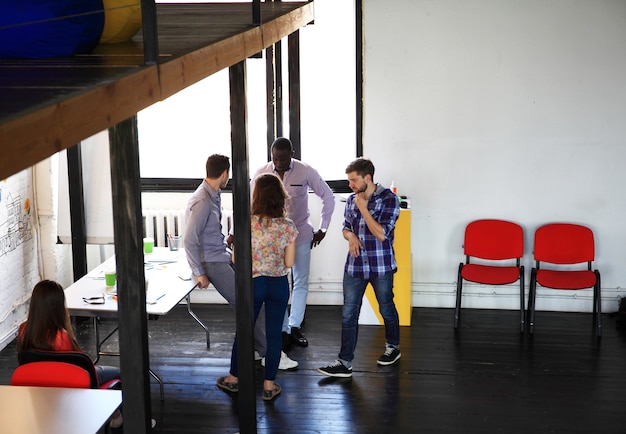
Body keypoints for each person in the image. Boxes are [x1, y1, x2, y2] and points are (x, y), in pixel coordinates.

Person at [184, 154, 298, 370]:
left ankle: (256, 347)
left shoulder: (213, 195)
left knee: (252, 303)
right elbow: (189, 239)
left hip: (222, 254)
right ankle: (269, 354)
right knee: (247, 304)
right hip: (212, 262)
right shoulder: (203, 201)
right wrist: (199, 272)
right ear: (225, 173)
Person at [217, 173, 298, 401]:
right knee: (274, 335)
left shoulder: (245, 222)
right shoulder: (287, 226)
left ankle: (233, 379)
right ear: (279, 197)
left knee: (244, 331)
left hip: (252, 283)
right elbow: (290, 262)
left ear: (257, 196)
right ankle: (269, 386)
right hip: (278, 284)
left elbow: (235, 260)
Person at [318, 158, 401, 378]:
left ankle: (393, 346)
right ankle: (344, 362)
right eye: (349, 181)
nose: (351, 185)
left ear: (368, 178)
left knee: (386, 307)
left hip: (381, 265)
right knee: (348, 314)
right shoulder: (351, 200)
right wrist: (351, 235)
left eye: (354, 180)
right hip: (355, 267)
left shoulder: (389, 199)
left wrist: (364, 209)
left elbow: (382, 234)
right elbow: (345, 227)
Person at [251, 137, 335, 348]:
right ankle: (281, 328)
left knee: (300, 281)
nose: (278, 162)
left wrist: (323, 228)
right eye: (275, 158)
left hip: (299, 233)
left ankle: (294, 326)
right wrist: (236, 231)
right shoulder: (261, 172)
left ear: (292, 153)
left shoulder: (306, 171)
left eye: (282, 158)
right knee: (277, 281)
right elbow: (249, 202)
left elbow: (328, 196)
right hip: (272, 238)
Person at [17, 280, 124, 428]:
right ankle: (122, 416)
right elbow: (81, 364)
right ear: (58, 307)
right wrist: (67, 327)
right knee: (121, 372)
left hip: (40, 383)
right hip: (72, 381)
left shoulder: (24, 330)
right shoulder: (62, 336)